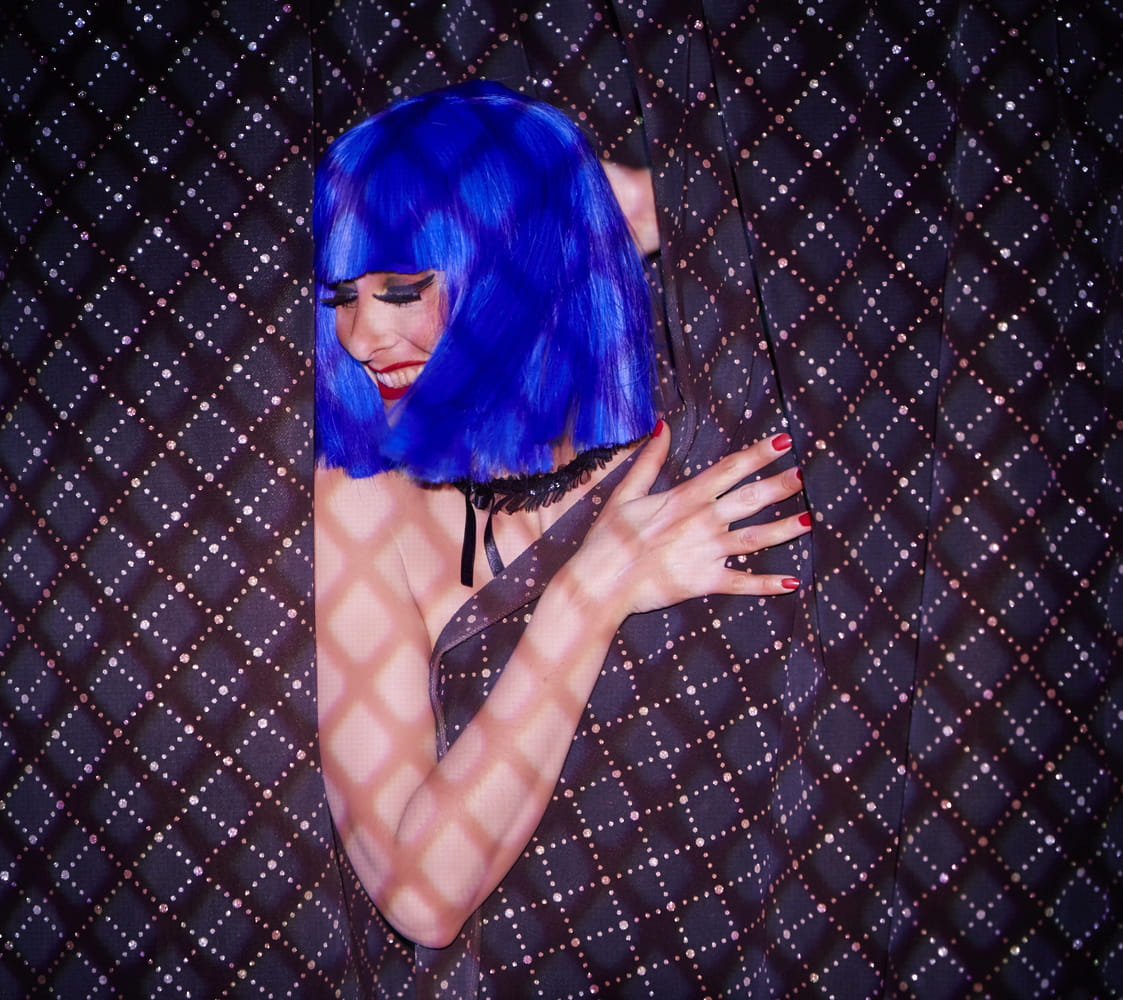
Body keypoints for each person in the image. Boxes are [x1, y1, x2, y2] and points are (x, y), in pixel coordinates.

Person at [313, 81, 810, 995]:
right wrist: (593, 591)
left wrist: (606, 207)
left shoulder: (694, 386)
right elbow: (419, 896)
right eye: (342, 295)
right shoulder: (368, 489)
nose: (360, 335)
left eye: (400, 289)